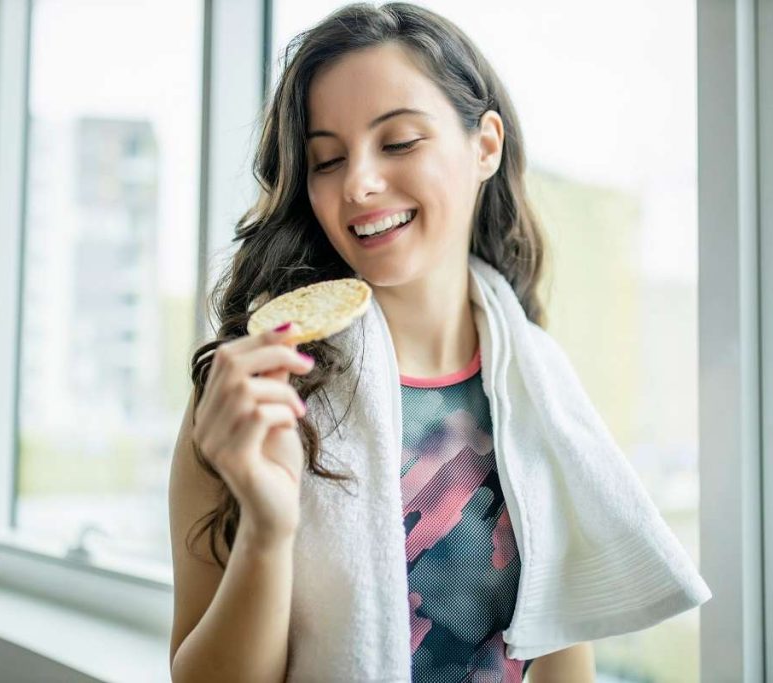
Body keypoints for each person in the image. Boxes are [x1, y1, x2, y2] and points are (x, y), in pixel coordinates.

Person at [168, 3, 601, 681]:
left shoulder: (538, 384)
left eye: (398, 142)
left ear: (485, 145)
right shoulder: (253, 395)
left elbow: (565, 639)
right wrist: (266, 527)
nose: (360, 183)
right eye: (327, 159)